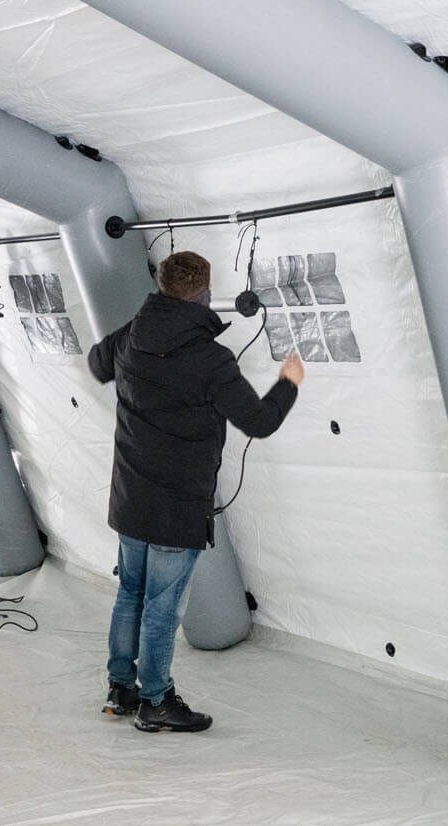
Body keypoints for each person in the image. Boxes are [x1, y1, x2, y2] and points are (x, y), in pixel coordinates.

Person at [88, 251, 305, 733]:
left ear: (162, 288)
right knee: (162, 606)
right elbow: (260, 421)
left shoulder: (132, 335)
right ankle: (155, 701)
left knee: (130, 593)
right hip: (175, 505)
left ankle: (120, 690)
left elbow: (95, 363)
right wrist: (288, 384)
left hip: (129, 496)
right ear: (205, 292)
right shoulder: (210, 358)